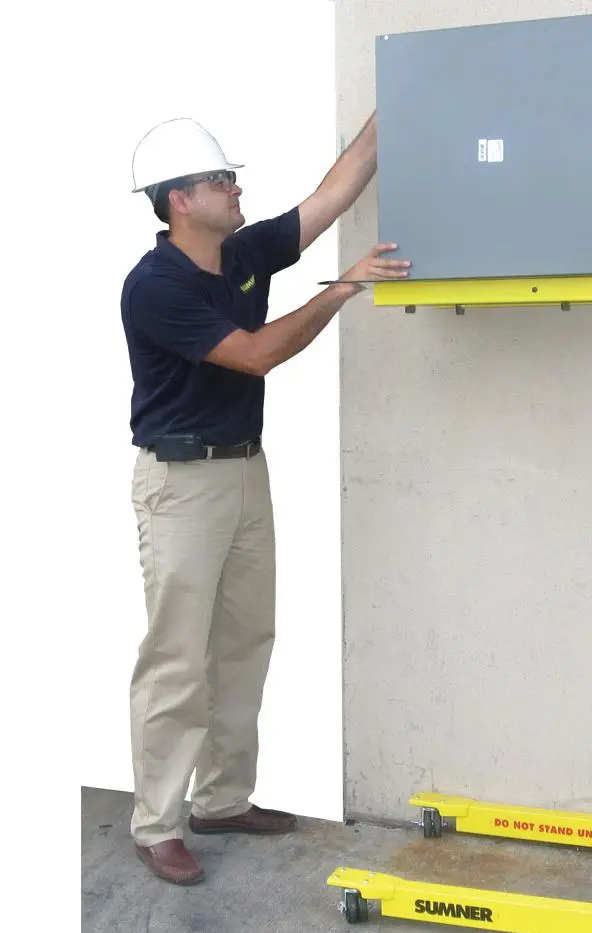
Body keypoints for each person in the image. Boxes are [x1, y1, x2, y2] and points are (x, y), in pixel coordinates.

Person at [121, 115, 409, 885]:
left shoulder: (244, 254)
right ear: (180, 200)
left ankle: (222, 799)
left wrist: (396, 104)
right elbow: (254, 356)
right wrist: (344, 288)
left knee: (246, 640)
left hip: (245, 471)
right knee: (177, 658)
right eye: (220, 180)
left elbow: (333, 194)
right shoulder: (156, 287)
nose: (235, 186)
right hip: (182, 485)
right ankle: (156, 824)